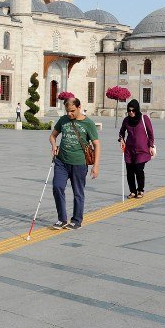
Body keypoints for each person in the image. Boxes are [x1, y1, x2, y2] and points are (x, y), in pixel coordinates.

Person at [50, 97, 100, 230]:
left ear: (79, 108)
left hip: (79, 163)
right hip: (61, 161)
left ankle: (76, 220)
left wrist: (95, 165)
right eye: (67, 111)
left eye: (72, 111)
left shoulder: (88, 123)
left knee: (78, 192)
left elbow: (96, 144)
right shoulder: (63, 120)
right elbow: (52, 136)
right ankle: (62, 219)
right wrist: (54, 145)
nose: (69, 114)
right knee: (57, 187)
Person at [118, 99, 155, 199]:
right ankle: (133, 191)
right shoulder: (126, 120)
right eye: (129, 110)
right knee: (129, 171)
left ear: (137, 110)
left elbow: (150, 133)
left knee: (139, 169)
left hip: (142, 150)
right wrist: (121, 139)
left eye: (133, 110)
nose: (131, 112)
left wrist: (151, 145)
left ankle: (141, 190)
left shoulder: (144, 118)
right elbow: (121, 132)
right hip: (129, 150)